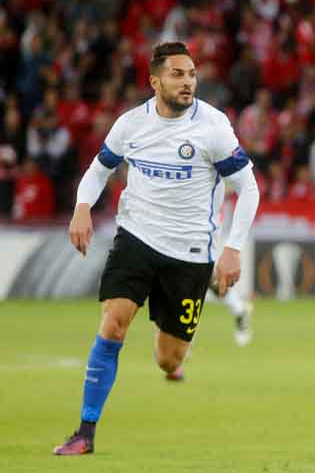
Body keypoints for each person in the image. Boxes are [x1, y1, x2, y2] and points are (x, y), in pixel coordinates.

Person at [53, 42, 261, 455]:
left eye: (192, 75)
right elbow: (98, 171)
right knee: (113, 323)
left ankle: (172, 354)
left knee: (168, 358)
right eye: (177, 75)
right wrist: (81, 208)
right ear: (155, 81)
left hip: (189, 254)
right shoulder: (131, 125)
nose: (187, 83)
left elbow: (248, 188)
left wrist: (233, 248)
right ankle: (85, 432)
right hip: (136, 237)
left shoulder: (213, 127)